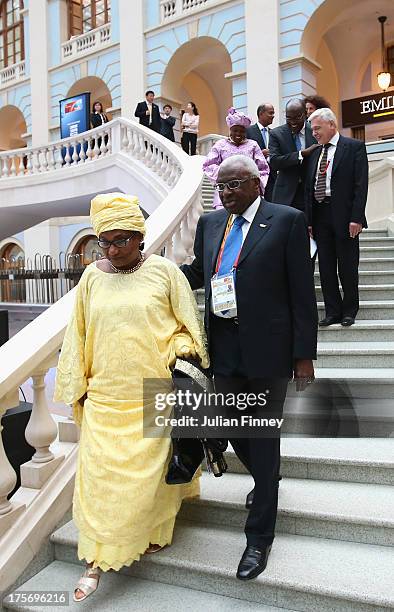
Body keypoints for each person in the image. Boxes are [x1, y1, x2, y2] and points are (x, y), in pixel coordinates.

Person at [54, 193, 209, 601]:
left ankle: (153, 532)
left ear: (141, 236)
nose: (113, 249)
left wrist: (178, 350)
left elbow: (187, 326)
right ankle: (95, 560)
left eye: (122, 239)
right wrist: (77, 386)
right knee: (103, 482)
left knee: (150, 479)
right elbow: (79, 332)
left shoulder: (165, 272)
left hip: (151, 390)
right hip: (105, 395)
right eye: (105, 241)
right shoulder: (91, 277)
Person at [181, 155, 318, 580]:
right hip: (222, 346)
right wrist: (148, 270)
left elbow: (301, 293)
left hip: (269, 349)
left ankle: (259, 538)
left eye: (234, 185)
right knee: (233, 428)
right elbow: (199, 274)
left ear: (257, 184)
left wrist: (303, 356)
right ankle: (266, 480)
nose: (226, 193)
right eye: (221, 186)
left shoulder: (287, 221)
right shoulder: (210, 224)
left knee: (262, 433)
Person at [305, 108, 368, 327]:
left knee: (348, 265)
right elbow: (308, 190)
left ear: (331, 125)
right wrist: (310, 221)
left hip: (345, 216)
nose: (314, 133)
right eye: (312, 129)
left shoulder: (354, 147)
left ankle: (350, 310)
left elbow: (361, 186)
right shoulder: (314, 152)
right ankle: (332, 311)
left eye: (317, 128)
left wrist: (356, 218)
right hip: (320, 215)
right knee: (326, 267)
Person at [203, 107, 269, 209]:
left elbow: (263, 168)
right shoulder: (220, 145)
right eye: (235, 130)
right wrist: (225, 176)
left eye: (242, 131)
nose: (238, 134)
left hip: (247, 192)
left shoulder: (253, 145)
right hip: (225, 192)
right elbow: (208, 165)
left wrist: (253, 183)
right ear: (230, 130)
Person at [269, 98, 319, 217]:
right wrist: (301, 154)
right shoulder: (276, 134)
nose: (293, 122)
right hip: (286, 195)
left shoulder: (314, 131)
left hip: (311, 194)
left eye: (297, 117)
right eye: (289, 118)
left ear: (305, 114)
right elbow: (275, 162)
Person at [246, 103, 277, 200]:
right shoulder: (248, 131)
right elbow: (243, 152)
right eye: (270, 113)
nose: (273, 116)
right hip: (255, 175)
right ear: (261, 114)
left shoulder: (274, 133)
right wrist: (259, 154)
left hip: (272, 176)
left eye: (273, 113)